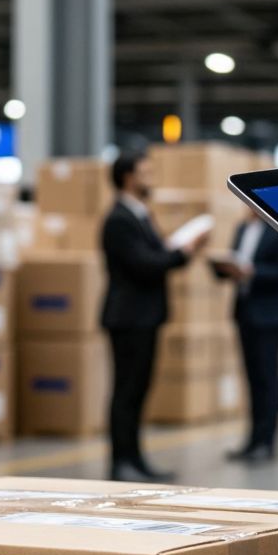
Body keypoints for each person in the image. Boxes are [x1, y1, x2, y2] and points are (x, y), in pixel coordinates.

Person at [100, 148, 202, 483]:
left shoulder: (140, 214)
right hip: (129, 318)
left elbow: (155, 255)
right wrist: (182, 253)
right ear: (128, 177)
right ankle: (121, 463)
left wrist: (179, 252)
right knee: (126, 392)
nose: (151, 179)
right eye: (145, 172)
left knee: (139, 391)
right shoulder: (118, 219)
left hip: (145, 317)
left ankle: (136, 460)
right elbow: (144, 264)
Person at [212, 211, 278, 464]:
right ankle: (251, 441)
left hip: (270, 315)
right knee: (251, 378)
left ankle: (267, 443)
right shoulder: (241, 228)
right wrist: (223, 268)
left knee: (268, 379)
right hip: (245, 313)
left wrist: (251, 272)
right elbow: (235, 263)